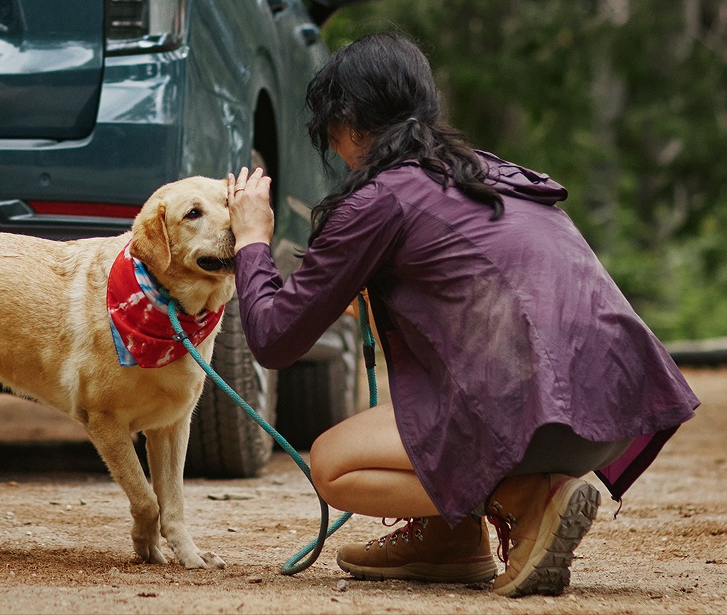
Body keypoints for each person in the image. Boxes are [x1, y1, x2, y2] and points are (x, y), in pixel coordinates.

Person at [226, 32, 699, 597]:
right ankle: (450, 540)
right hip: (616, 408)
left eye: (331, 132)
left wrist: (252, 240)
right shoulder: (487, 172)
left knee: (334, 464)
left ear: (349, 120)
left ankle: (525, 499)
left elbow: (274, 340)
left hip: (539, 422)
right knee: (436, 389)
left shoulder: (380, 198)